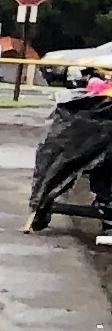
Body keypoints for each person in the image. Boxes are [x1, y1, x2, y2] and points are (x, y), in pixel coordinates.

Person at [32, 81, 112, 237]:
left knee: (61, 168)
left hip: (87, 138)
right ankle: (107, 210)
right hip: (94, 137)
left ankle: (106, 208)